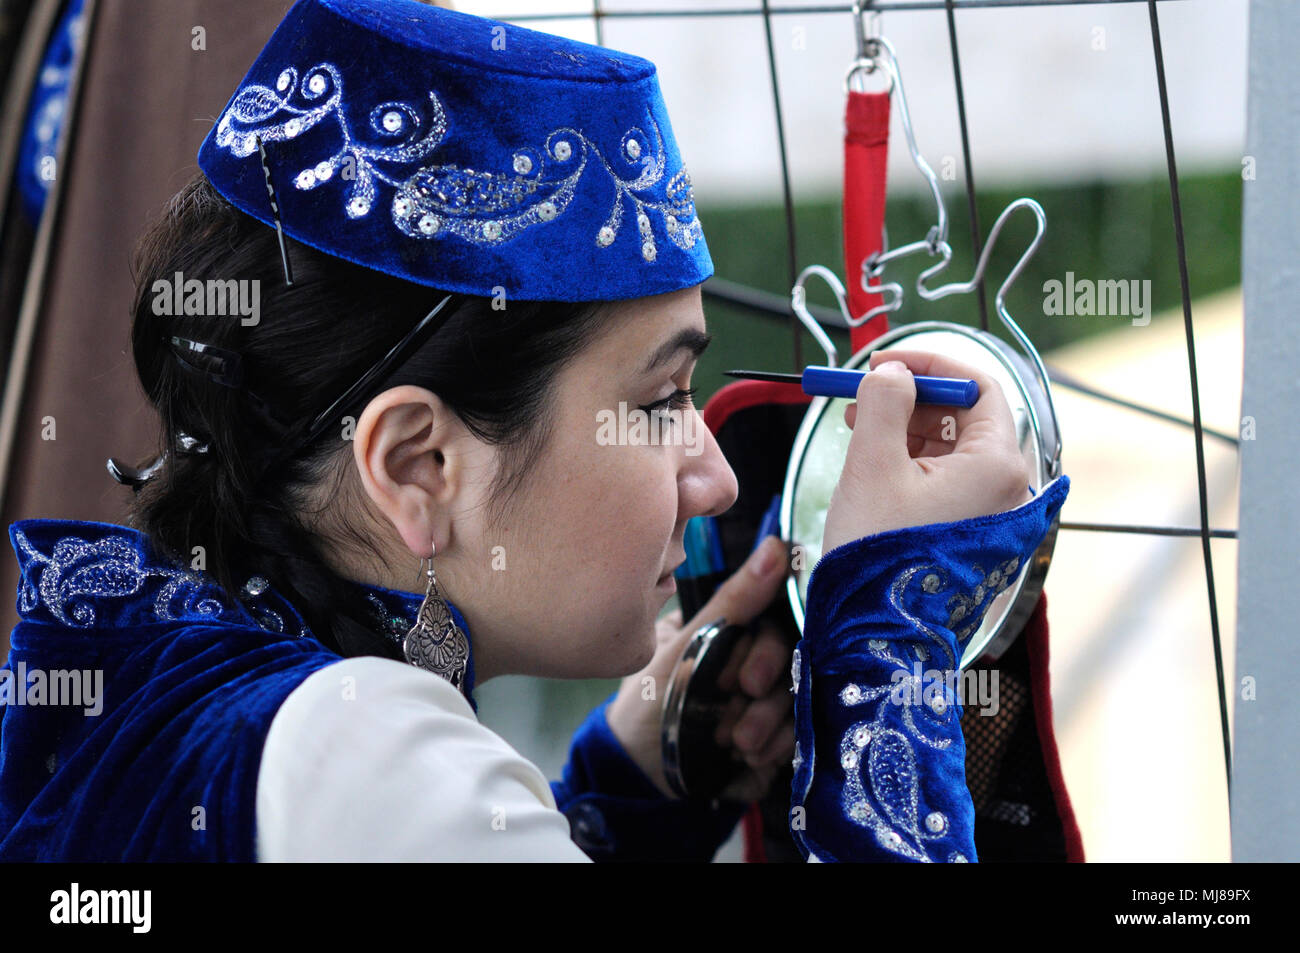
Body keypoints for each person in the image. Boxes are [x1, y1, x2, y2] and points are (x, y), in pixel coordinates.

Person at [0, 0, 1068, 862]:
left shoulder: (172, 682)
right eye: (658, 402)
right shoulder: (378, 764)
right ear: (419, 464)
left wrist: (624, 793)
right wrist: (887, 641)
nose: (716, 477)